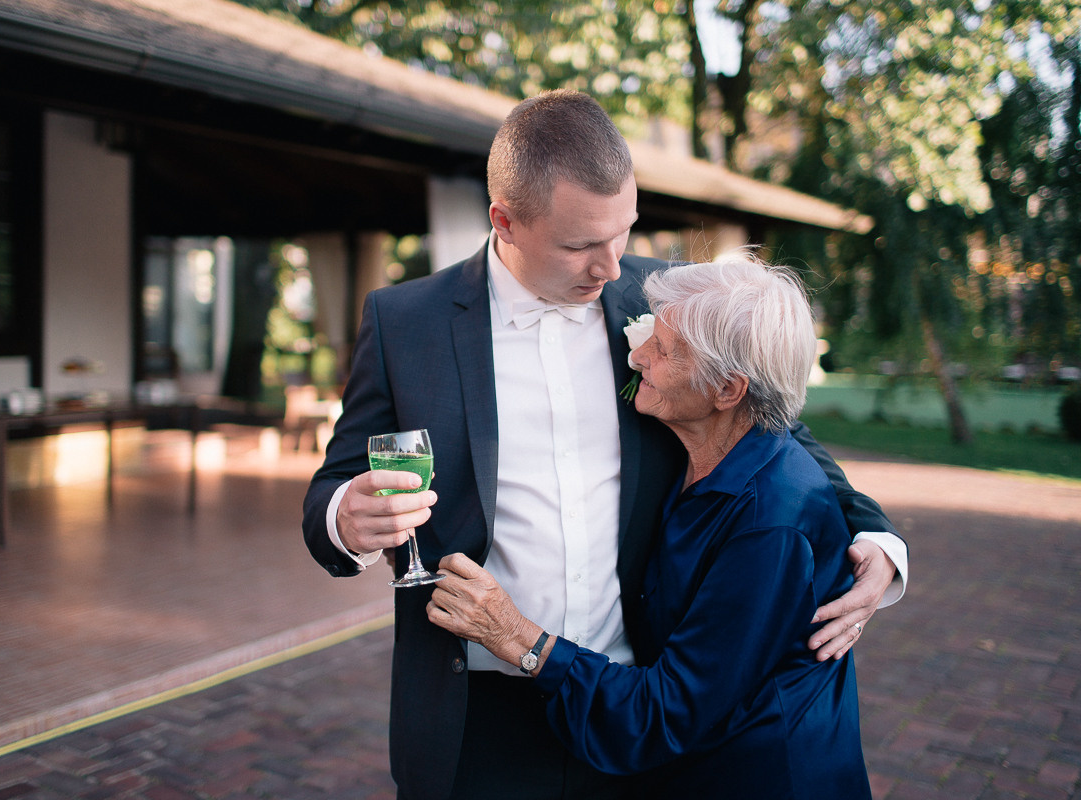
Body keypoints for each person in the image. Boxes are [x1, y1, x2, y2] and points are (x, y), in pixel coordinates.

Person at [302, 89, 907, 800]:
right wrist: (346, 517)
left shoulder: (663, 297)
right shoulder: (407, 321)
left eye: (624, 232)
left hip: (638, 709)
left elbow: (775, 425)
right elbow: (331, 490)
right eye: (582, 244)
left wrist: (879, 544)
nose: (612, 266)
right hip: (474, 715)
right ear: (506, 221)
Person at [428, 254, 872, 798]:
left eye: (661, 350)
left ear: (728, 390)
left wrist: (516, 636)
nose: (634, 355)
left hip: (758, 778)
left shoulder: (770, 524)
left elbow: (668, 711)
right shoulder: (705, 441)